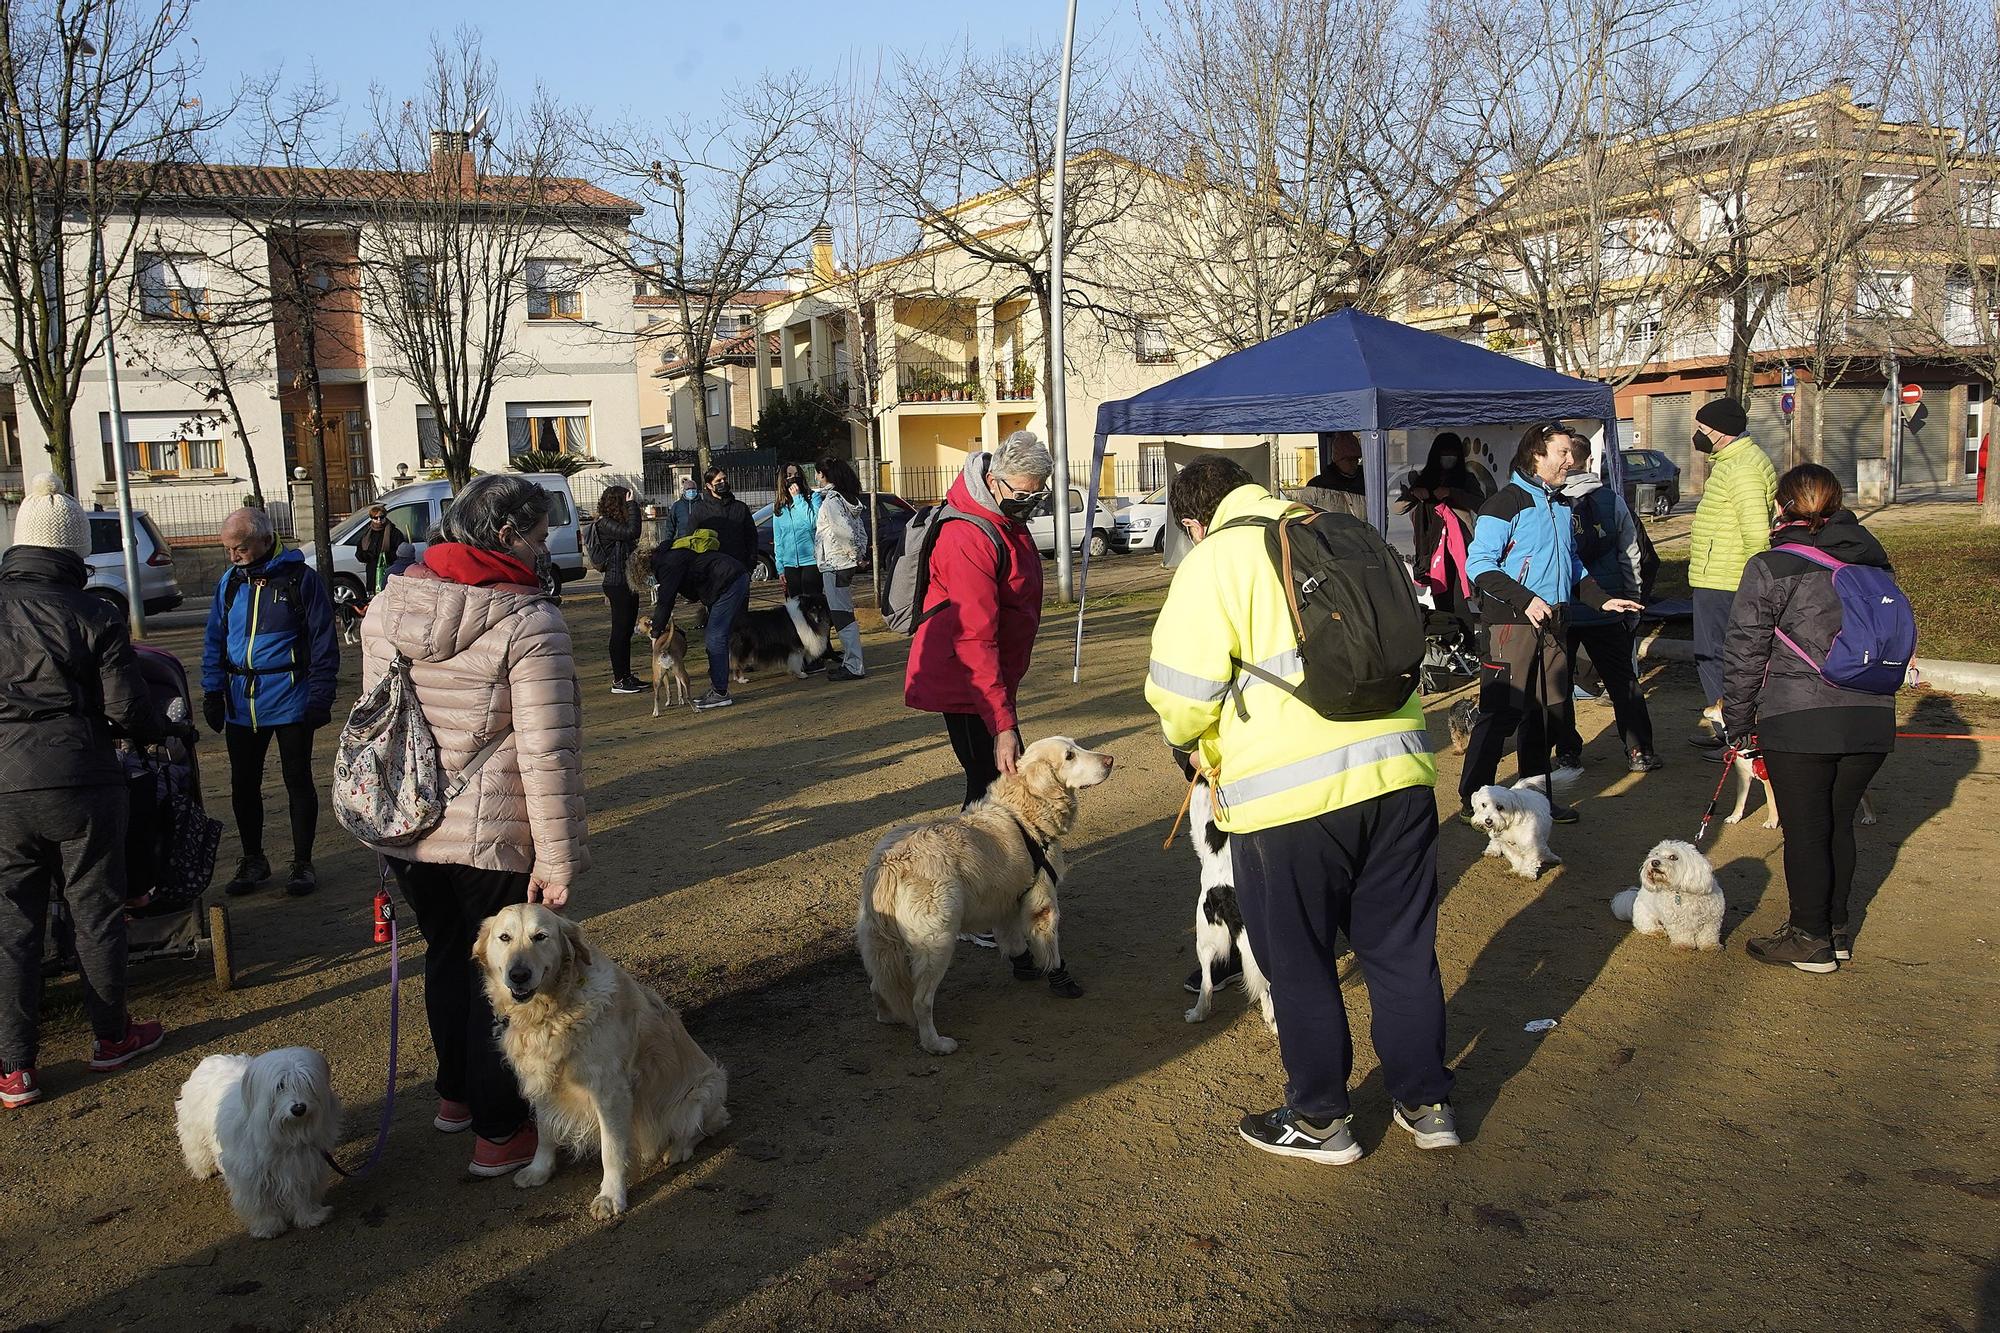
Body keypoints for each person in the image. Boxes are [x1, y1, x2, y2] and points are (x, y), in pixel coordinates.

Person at [1145, 454, 1454, 1164]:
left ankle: (1320, 1118)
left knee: (1300, 957)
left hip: (1288, 799)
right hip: (1400, 773)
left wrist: (1192, 746)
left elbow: (1180, 694)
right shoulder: (1343, 529)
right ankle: (1428, 1102)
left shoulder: (1215, 558)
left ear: (1194, 521)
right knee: (1403, 950)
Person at [356, 474, 588, 1175]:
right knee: (502, 975)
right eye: (539, 533)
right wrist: (558, 855)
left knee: (450, 951)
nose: (546, 545)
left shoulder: (390, 605)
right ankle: (498, 1127)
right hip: (489, 831)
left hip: (408, 824)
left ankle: (455, 1094)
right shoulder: (529, 621)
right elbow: (547, 749)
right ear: (510, 535)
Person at [0, 474, 170, 1109]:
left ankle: (15, 1067)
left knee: (11, 921)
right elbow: (129, 709)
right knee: (95, 909)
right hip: (81, 778)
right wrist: (157, 734)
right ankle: (110, 1035)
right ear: (73, 552)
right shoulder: (94, 612)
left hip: (3, 784)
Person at [1721, 465, 1895, 973]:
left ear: (1782, 507)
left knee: (1806, 831)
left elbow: (1745, 652)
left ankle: (1809, 936)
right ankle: (1836, 928)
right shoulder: (1873, 561)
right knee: (1838, 826)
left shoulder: (1771, 566)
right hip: (1870, 714)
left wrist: (1738, 722)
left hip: (1800, 716)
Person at [1457, 424, 1645, 822]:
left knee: (1546, 714)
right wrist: (1526, 600)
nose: (1571, 461)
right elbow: (1479, 565)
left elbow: (1572, 564)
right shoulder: (1504, 504)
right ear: (1535, 456)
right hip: (1511, 627)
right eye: (1562, 452)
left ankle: (1535, 802)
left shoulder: (1560, 504)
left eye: (1569, 453)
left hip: (1555, 624)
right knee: (1500, 714)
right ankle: (1471, 800)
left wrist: (1602, 599)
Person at [904, 432, 1049, 808]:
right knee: (991, 785)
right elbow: (974, 636)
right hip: (966, 677)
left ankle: (994, 862)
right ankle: (975, 863)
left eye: (1037, 496)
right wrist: (1002, 724)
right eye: (1021, 496)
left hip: (989, 675)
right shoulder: (967, 536)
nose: (1028, 506)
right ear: (992, 482)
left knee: (997, 782)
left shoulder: (1003, 517)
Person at [201, 506, 339, 898]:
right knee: (243, 784)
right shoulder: (229, 582)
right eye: (228, 549)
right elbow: (214, 639)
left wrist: (321, 696)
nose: (233, 557)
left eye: (239, 548)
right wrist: (212, 691)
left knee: (297, 781)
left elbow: (323, 642)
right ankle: (253, 859)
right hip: (240, 702)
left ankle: (302, 862)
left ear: (264, 539)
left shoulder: (301, 580)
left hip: (291, 699)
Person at [1550, 463, 1661, 772]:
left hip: (1564, 607)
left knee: (1559, 685)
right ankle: (1639, 749)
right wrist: (1633, 599)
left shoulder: (1548, 501)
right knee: (1623, 682)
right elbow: (1631, 554)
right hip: (1608, 606)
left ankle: (1567, 750)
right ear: (1586, 464)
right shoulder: (1612, 500)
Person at [1688, 396, 1777, 747]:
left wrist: (1759, 585)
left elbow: (1757, 532)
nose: (1697, 434)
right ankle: (1726, 726)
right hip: (1719, 574)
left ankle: (1734, 735)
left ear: (1722, 432)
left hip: (1727, 580)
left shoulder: (1742, 468)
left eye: (1702, 429)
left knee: (1717, 657)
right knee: (1719, 657)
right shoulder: (1731, 461)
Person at [651, 540, 750, 711]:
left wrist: (656, 631)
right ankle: (718, 685)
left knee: (715, 637)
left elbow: (665, 601)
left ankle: (720, 692)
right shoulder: (672, 554)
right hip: (729, 576)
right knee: (719, 634)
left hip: (727, 581)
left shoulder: (666, 565)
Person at [1399, 432, 1487, 624]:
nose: (1449, 458)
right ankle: (1449, 642)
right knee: (1441, 599)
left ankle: (1467, 644)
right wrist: (1414, 493)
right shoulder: (1425, 478)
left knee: (1461, 600)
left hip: (1460, 548)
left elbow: (1482, 504)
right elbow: (1398, 508)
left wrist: (1452, 493)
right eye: (1444, 453)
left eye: (1453, 453)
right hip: (1431, 548)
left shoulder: (1467, 478)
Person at [814, 456, 871, 682]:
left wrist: (856, 556)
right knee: (843, 614)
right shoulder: (850, 500)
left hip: (836, 564)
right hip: (843, 564)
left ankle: (854, 665)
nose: (817, 478)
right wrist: (860, 555)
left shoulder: (832, 502)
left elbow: (845, 532)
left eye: (818, 473)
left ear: (826, 475)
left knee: (842, 616)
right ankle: (852, 662)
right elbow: (860, 531)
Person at [590, 486, 645, 696]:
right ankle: (619, 679)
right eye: (627, 501)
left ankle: (627, 675)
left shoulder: (613, 523)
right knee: (620, 631)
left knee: (626, 631)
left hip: (626, 581)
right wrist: (632, 506)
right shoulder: (604, 523)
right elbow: (633, 531)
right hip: (616, 582)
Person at [686, 466, 759, 573]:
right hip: (711, 571)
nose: (723, 482)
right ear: (709, 486)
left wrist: (750, 563)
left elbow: (751, 537)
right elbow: (690, 538)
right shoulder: (700, 510)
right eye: (718, 481)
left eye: (724, 479)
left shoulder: (740, 508)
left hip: (739, 567)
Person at [772, 463, 823, 601]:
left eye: (796, 475)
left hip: (811, 561)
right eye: (789, 476)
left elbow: (812, 523)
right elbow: (779, 539)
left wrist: (798, 498)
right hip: (790, 565)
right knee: (795, 606)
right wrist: (780, 568)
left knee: (813, 603)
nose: (793, 479)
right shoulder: (779, 506)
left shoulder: (814, 498)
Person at [1302, 431, 1367, 519]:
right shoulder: (1317, 486)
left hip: (1361, 532)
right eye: (1349, 459)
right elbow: (1303, 517)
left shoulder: (1366, 483)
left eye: (1356, 459)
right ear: (1337, 460)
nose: (1354, 463)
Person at [354, 504, 406, 596]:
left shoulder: (394, 532)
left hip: (389, 570)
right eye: (375, 517)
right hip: (372, 573)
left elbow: (400, 550)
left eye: (381, 517)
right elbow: (359, 551)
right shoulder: (367, 533)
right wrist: (366, 556)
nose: (379, 520)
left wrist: (386, 557)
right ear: (371, 518)